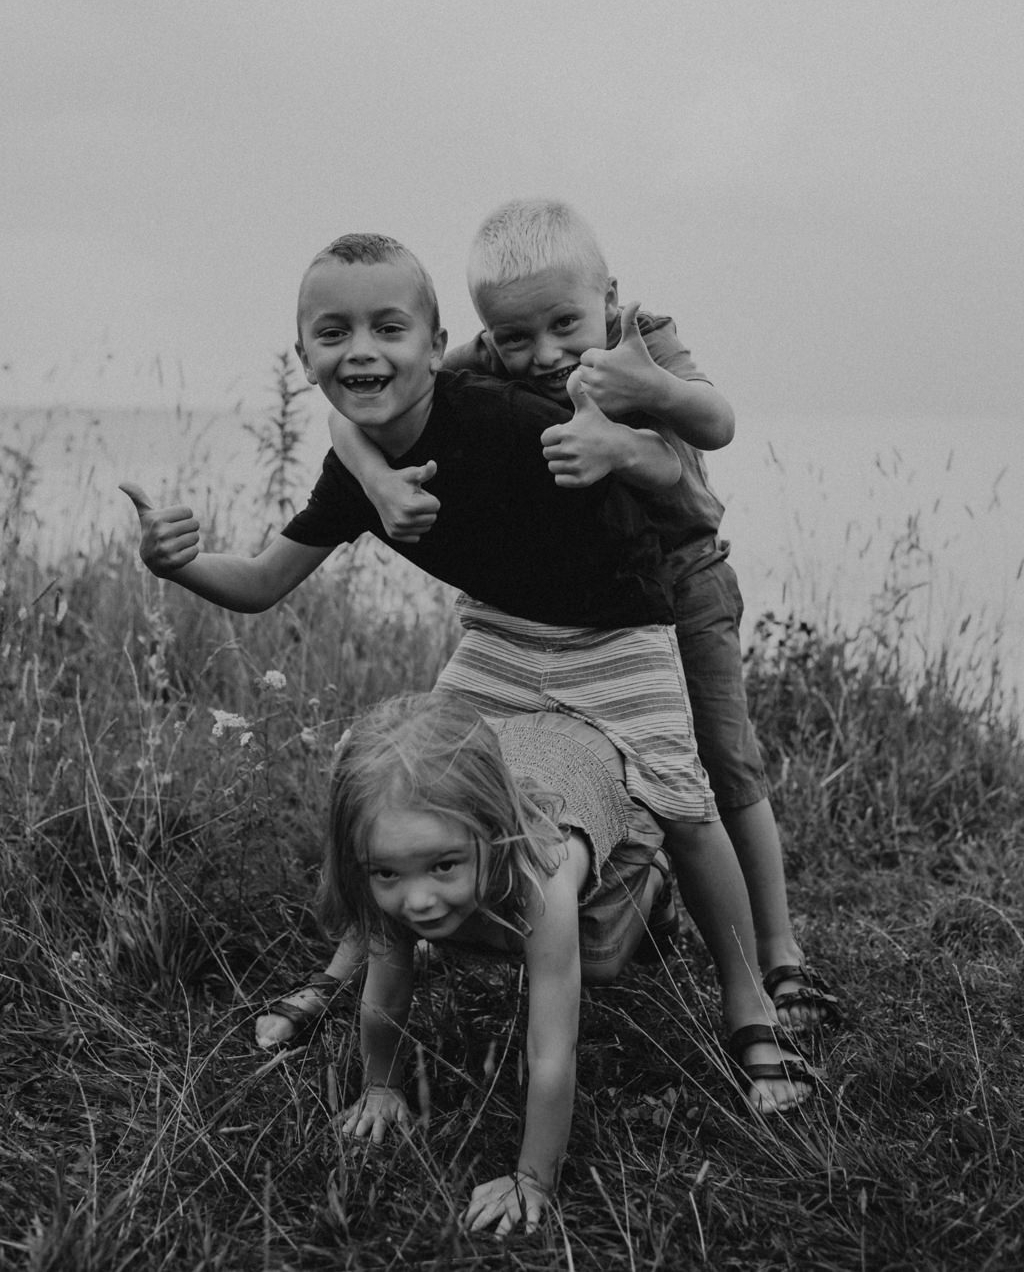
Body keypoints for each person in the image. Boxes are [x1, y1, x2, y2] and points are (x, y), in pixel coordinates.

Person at [121, 231, 816, 1116]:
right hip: (499, 634)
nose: (362, 350)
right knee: (420, 779)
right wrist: (177, 563)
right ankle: (349, 968)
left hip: (616, 626)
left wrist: (620, 448)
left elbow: (678, 489)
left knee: (684, 802)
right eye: (333, 334)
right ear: (303, 358)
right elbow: (260, 583)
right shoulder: (355, 468)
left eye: (387, 328)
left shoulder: (506, 417)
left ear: (435, 341)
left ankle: (749, 1004)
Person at [326, 201, 840, 1032]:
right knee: (460, 757)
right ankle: (376, 946)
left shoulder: (638, 335)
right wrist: (377, 481)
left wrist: (648, 396)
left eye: (565, 322)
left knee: (718, 764)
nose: (544, 354)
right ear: (488, 331)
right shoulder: (487, 357)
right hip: (565, 602)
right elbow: (367, 406)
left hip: (682, 580)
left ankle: (778, 956)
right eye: (515, 337)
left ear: (608, 293)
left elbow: (717, 422)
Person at [303, 691, 703, 1236]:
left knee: (600, 961)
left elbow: (549, 1049)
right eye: (387, 874)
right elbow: (385, 995)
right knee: (464, 923)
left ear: (492, 834)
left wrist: (532, 1178)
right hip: (516, 744)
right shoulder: (397, 853)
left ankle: (652, 875)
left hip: (591, 768)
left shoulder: (543, 872)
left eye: (443, 864)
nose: (416, 900)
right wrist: (380, 1085)